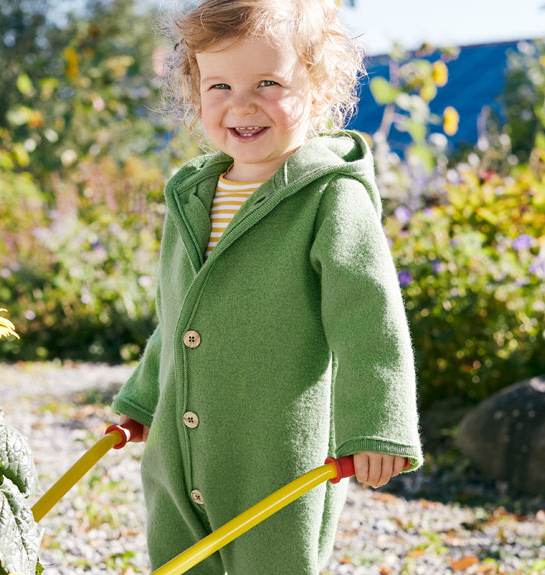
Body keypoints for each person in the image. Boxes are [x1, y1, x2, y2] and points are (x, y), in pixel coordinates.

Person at [109, 1, 422, 573]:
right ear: (195, 90)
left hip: (277, 454)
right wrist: (142, 399)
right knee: (177, 561)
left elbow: (368, 321)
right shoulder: (191, 197)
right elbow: (177, 320)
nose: (241, 103)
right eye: (220, 84)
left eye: (269, 82)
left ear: (320, 88)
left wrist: (378, 425)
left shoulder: (331, 198)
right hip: (178, 451)